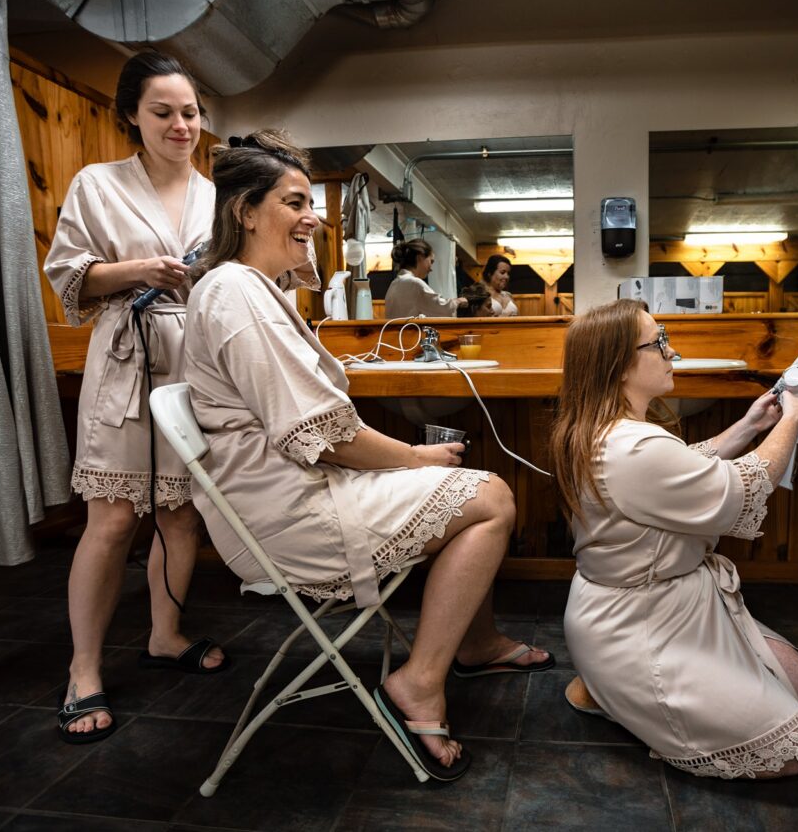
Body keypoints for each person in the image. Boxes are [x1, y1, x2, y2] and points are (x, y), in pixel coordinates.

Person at [183, 129, 552, 782]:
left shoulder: (249, 289)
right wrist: (414, 457)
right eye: (295, 204)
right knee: (489, 496)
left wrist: (297, 270)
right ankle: (421, 680)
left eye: (309, 204)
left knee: (466, 491)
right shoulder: (237, 294)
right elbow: (323, 433)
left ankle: (475, 642)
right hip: (286, 514)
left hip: (285, 493)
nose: (311, 217)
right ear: (244, 211)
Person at [551, 299, 798, 779]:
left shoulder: (609, 431)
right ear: (619, 366)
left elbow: (678, 471)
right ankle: (615, 689)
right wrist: (791, 421)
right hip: (637, 625)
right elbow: (740, 487)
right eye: (658, 342)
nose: (671, 351)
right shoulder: (634, 446)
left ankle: (604, 688)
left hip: (673, 604)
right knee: (792, 753)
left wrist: (748, 426)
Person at [44, 51, 231, 745]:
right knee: (114, 520)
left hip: (196, 363)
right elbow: (67, 277)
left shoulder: (218, 196)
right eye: (163, 113)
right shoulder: (98, 184)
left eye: (189, 113)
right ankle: (83, 669)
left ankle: (165, 632)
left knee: (182, 517)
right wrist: (137, 270)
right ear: (132, 115)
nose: (181, 125)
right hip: (127, 355)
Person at [383, 238, 467, 318]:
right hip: (408, 332)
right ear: (420, 257)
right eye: (431, 261)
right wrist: (457, 301)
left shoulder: (394, 284)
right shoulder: (414, 283)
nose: (431, 268)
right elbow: (441, 308)